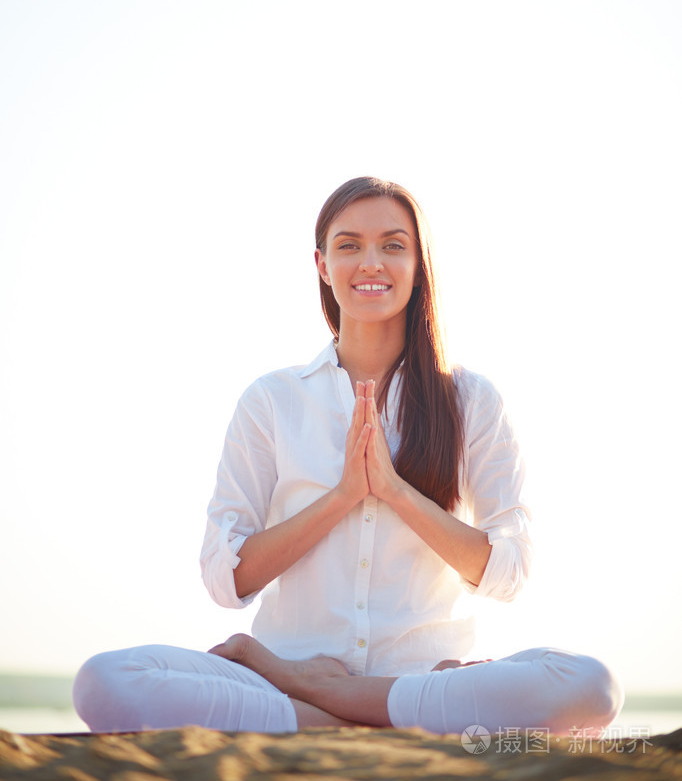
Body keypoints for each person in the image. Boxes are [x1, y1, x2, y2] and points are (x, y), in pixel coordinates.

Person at [73, 176, 623, 735]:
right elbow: (225, 579)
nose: (371, 263)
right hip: (282, 671)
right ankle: (349, 713)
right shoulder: (273, 400)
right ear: (321, 263)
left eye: (392, 244)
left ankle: (323, 701)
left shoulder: (471, 400)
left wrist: (395, 493)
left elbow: (510, 571)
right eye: (349, 245)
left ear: (418, 262)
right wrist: (341, 498)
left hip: (423, 681)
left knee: (591, 687)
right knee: (107, 679)